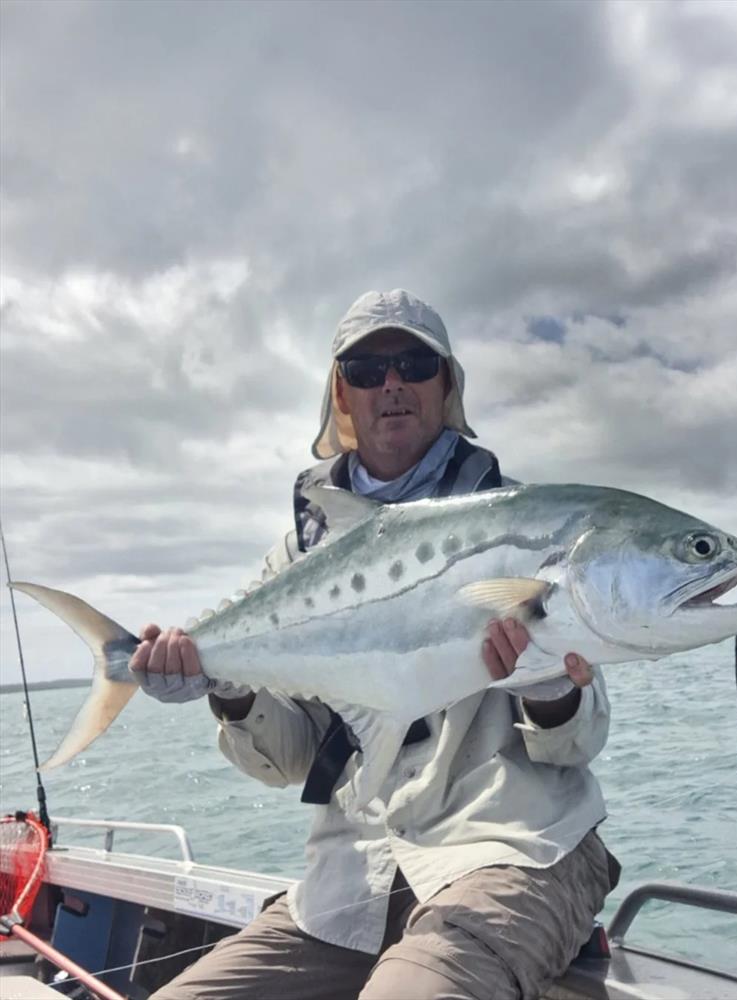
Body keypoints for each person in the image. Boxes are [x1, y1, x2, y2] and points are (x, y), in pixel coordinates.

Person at [132, 289, 618, 1000]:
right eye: (365, 370)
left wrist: (547, 686)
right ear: (341, 395)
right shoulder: (299, 558)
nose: (391, 383)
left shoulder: (528, 522)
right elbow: (289, 758)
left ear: (446, 385)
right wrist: (226, 686)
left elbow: (580, 741)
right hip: (348, 886)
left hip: (515, 851)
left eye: (413, 364)